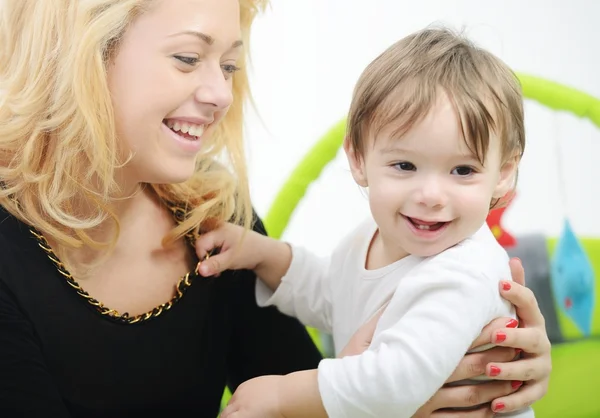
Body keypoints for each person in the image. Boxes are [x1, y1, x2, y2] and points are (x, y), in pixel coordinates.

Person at [0, 1, 550, 417]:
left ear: (505, 172)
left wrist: (474, 372)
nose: (220, 93)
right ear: (79, 56)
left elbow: (312, 377)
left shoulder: (211, 212)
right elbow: (331, 297)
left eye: (230, 66)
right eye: (188, 58)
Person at [193, 28, 548, 417]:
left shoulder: (464, 272)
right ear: (358, 158)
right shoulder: (373, 237)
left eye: (462, 170)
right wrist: (265, 255)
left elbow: (397, 380)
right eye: (405, 165)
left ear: (503, 173)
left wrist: (284, 395)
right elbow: (334, 294)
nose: (431, 194)